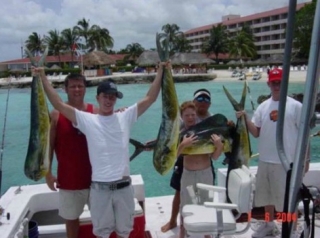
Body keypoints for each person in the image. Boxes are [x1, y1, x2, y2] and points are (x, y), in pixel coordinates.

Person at [34, 61, 169, 238]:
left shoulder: (125, 116)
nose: (109, 100)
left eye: (112, 97)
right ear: (97, 98)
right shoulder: (88, 120)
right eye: (105, 96)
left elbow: (150, 98)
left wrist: (161, 71)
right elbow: (58, 104)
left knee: (124, 232)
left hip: (124, 187)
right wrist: (42, 77)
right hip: (100, 190)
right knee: (102, 234)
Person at [236, 68, 309, 238]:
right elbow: (256, 132)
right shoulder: (263, 107)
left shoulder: (296, 106)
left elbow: (305, 136)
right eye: (274, 82)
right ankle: (269, 224)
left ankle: (292, 227)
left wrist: (306, 160)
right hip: (265, 161)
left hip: (285, 162)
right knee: (266, 199)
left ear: (284, 83)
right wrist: (245, 118)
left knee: (287, 200)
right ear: (268, 83)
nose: (277, 85)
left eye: (280, 82)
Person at [45, 73, 98, 238]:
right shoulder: (55, 115)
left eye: (80, 86)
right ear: (65, 89)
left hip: (95, 180)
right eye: (73, 86)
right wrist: (47, 173)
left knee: (100, 221)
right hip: (68, 181)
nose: (77, 89)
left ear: (85, 88)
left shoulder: (95, 112)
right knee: (71, 221)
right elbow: (49, 146)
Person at [161, 89, 215, 233]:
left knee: (205, 202)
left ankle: (203, 231)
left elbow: (215, 153)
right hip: (184, 163)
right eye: (200, 99)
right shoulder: (181, 122)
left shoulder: (211, 119)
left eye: (206, 100)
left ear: (209, 103)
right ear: (195, 101)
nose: (203, 102)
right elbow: (170, 140)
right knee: (180, 193)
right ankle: (175, 224)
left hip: (204, 164)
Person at [177, 101, 224, 238]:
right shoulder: (180, 134)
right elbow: (173, 157)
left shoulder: (205, 132)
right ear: (182, 117)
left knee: (206, 206)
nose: (190, 118)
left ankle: (207, 235)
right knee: (185, 207)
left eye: (193, 115)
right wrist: (182, 145)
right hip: (188, 174)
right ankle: (182, 233)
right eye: (187, 115)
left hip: (205, 174)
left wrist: (219, 147)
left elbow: (214, 157)